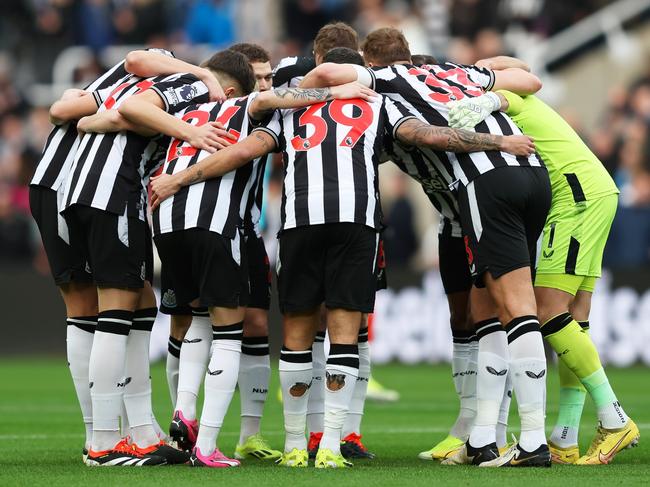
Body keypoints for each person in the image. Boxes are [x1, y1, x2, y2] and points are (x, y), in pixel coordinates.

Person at [148, 50, 535, 470]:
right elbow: (427, 135)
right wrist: (499, 141)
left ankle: (296, 445)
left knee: (297, 333)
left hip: (300, 223)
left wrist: (179, 179)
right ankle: (331, 444)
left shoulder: (291, 110)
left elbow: (242, 152)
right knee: (345, 333)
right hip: (357, 223)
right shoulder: (379, 102)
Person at [300, 27, 553, 467]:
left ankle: (532, 440)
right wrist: (490, 91)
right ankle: (482, 436)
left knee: (514, 309)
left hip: (486, 181)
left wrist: (312, 83)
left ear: (372, 65)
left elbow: (331, 72)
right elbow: (527, 74)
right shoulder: (452, 71)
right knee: (492, 311)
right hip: (533, 175)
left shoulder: (386, 83)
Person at [29, 48, 225, 463]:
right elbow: (137, 64)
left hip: (57, 181)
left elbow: (68, 108)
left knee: (127, 300)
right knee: (111, 303)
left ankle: (134, 431)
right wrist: (198, 78)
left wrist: (88, 112)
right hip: (102, 189)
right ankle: (103, 439)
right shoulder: (188, 83)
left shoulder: (114, 86)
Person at [448, 86, 640, 465]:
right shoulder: (518, 94)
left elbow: (509, 90)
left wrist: (485, 97)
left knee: (547, 310)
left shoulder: (505, 93)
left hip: (576, 197)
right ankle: (564, 437)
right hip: (593, 190)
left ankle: (614, 418)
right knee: (574, 320)